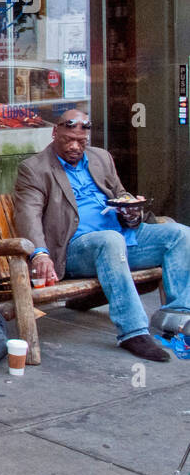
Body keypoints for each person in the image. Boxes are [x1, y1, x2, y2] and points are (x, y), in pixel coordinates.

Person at [13, 110, 190, 363]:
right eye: (68, 140)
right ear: (54, 134)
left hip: (121, 240)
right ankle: (133, 332)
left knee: (180, 234)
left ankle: (177, 317)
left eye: (81, 141)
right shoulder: (34, 169)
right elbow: (27, 215)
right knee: (109, 239)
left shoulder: (100, 158)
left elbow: (120, 194)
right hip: (75, 249)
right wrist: (39, 253)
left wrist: (131, 212)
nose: (75, 146)